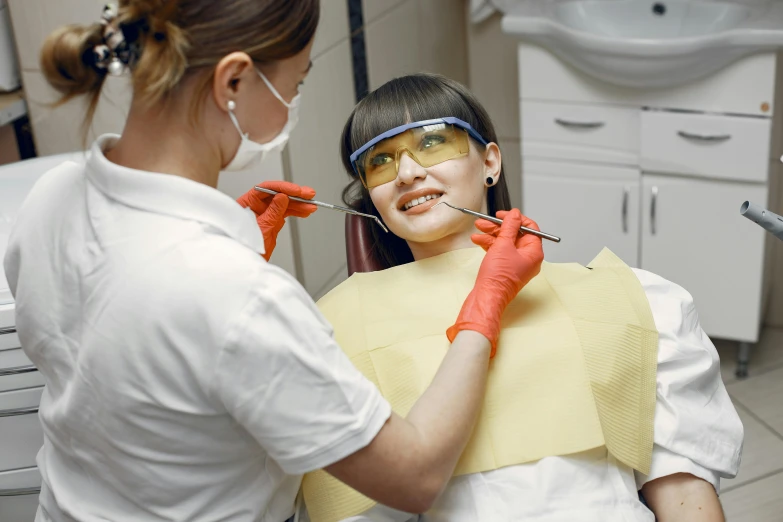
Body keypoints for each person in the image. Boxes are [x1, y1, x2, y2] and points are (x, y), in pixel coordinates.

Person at [2, 3, 543, 521]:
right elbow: (415, 477)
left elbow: (119, 352)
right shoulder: (238, 297)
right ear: (233, 81)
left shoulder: (51, 195)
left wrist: (228, 252)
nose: (407, 174)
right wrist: (484, 306)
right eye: (296, 83)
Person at [298, 73, 744, 522]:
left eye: (433, 142)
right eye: (380, 161)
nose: (409, 173)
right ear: (371, 195)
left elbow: (686, 498)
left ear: (490, 161)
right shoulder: (335, 328)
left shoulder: (631, 300)